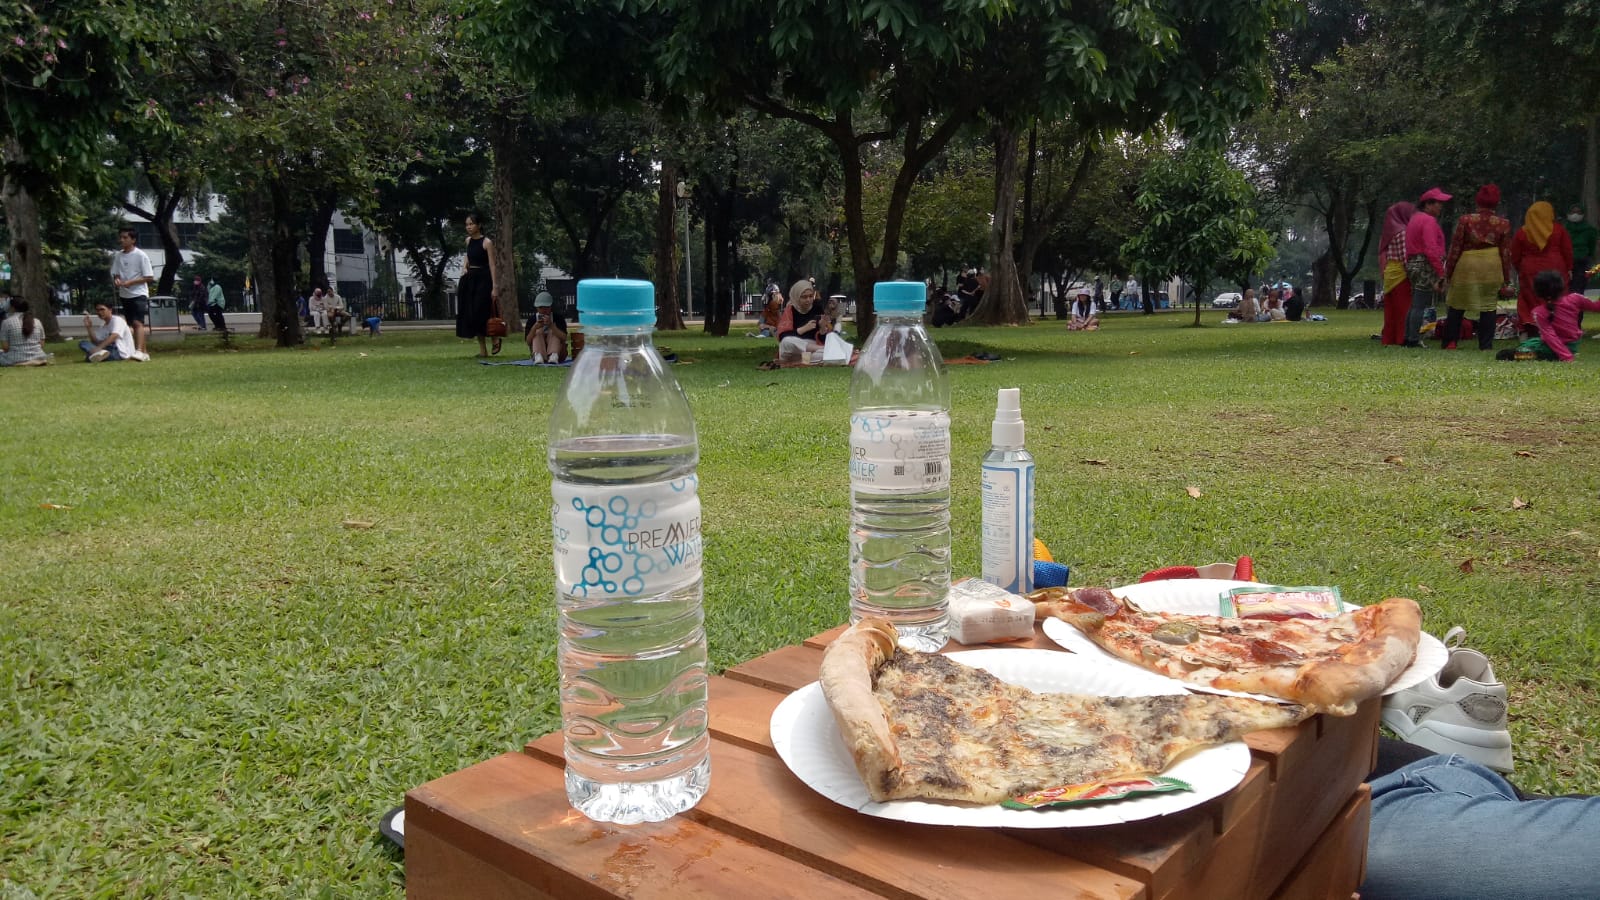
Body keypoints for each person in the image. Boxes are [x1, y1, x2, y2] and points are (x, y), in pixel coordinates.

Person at [1437, 184, 1513, 350]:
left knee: (1457, 304)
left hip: (1467, 265)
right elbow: (1505, 253)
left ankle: (1450, 342)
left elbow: (1455, 248)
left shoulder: (1466, 220)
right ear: (1496, 203)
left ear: (1478, 201)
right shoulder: (1503, 223)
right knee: (1488, 306)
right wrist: (1506, 279)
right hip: (1492, 267)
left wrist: (1448, 272)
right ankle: (1485, 344)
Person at [1496, 269, 1600, 361]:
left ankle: (1515, 355)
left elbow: (1551, 337)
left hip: (1554, 349)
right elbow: (1597, 307)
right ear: (1561, 285)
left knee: (1512, 354)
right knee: (1531, 343)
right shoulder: (1575, 298)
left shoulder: (1539, 312)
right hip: (1571, 346)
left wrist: (1566, 357)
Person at [1508, 201, 1572, 336]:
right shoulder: (1558, 230)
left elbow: (1515, 255)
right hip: (1556, 268)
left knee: (1530, 299)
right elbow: (1567, 251)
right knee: (1557, 298)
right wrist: (1569, 268)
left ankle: (1530, 327)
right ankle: (1558, 328)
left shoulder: (1522, 232)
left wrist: (1521, 268)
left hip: (1530, 269)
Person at [1402, 188, 1451, 348]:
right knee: (1419, 304)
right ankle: (1413, 339)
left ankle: (1409, 336)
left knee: (1414, 303)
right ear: (1428, 204)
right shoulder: (1428, 221)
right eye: (1438, 203)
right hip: (1424, 264)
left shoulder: (1415, 218)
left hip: (1413, 263)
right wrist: (1440, 272)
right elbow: (1431, 247)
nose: (1440, 207)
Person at [455, 212, 501, 356]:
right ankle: (483, 349)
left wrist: (495, 286)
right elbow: (467, 257)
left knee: (483, 311)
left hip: (484, 279)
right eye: (467, 224)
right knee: (472, 313)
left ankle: (495, 338)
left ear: (479, 225)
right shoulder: (468, 241)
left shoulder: (486, 242)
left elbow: (492, 265)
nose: (468, 227)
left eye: (471, 224)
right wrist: (464, 268)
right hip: (470, 279)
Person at [110, 226, 155, 355]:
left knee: (138, 322)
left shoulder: (141, 255)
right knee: (132, 324)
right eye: (121, 237)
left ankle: (139, 350)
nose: (122, 240)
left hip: (139, 293)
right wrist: (118, 280)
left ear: (133, 240)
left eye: (125, 238)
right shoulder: (118, 255)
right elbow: (116, 273)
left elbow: (149, 277)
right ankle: (144, 353)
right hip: (125, 294)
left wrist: (131, 282)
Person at [1377, 202, 1416, 345]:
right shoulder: (1403, 232)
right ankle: (1401, 338)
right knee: (1404, 309)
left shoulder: (1387, 234)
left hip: (1389, 273)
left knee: (1390, 310)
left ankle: (1388, 338)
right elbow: (1405, 257)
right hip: (1401, 274)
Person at [776, 278, 825, 365]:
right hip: (794, 348)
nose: (808, 300)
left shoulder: (817, 308)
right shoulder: (790, 309)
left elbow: (823, 339)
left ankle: (795, 362)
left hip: (811, 348)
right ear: (797, 296)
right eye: (804, 297)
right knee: (786, 342)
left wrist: (822, 329)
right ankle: (819, 352)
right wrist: (803, 329)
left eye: (810, 296)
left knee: (823, 355)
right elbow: (782, 335)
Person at [0, 298, 50, 366]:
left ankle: (21, 363)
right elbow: (42, 344)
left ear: (12, 308)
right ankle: (33, 361)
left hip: (15, 358)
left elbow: (5, 347)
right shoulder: (37, 321)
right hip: (39, 356)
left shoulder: (6, 322)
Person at [526, 291, 569, 364]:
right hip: (538, 348)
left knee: (554, 332)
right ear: (537, 308)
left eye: (546, 307)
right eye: (541, 308)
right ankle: (538, 355)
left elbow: (564, 338)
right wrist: (534, 328)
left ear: (551, 307)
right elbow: (528, 341)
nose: (544, 310)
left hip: (558, 351)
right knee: (538, 332)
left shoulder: (558, 318)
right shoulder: (532, 320)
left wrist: (552, 326)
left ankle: (553, 354)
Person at [1567, 204, 1597, 294]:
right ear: (1569, 213)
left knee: (1579, 288)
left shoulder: (1589, 230)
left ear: (1583, 214)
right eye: (1573, 212)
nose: (1575, 214)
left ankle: (1577, 306)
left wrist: (1589, 257)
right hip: (1566, 263)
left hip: (1582, 263)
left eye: (1578, 212)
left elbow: (1592, 247)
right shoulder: (1564, 229)